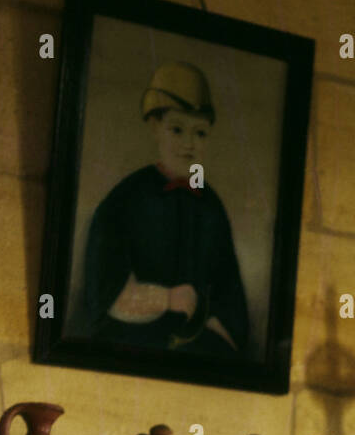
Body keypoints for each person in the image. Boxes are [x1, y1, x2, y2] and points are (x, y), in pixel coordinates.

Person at [82, 61, 249, 357]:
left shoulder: (211, 206)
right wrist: (167, 299)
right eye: (177, 129)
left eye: (200, 133)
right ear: (155, 127)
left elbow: (229, 296)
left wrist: (223, 338)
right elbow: (103, 290)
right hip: (129, 346)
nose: (189, 144)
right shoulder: (126, 199)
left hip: (196, 354)